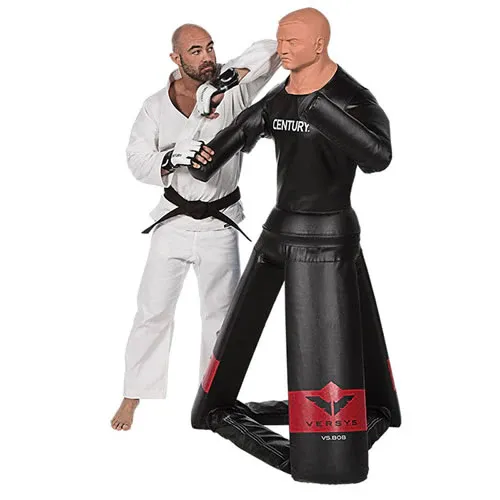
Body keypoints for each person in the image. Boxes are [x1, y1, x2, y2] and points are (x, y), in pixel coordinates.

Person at [186, 8, 401, 484]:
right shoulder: (283, 96)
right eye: (279, 40)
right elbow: (247, 126)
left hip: (327, 240)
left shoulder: (352, 98)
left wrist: (322, 112)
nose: (281, 50)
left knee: (330, 382)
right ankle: (216, 407)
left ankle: (331, 451)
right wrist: (206, 160)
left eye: (292, 42)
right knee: (234, 341)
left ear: (319, 45)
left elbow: (379, 157)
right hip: (279, 228)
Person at [110, 23, 281, 431]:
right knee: (152, 310)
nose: (206, 57)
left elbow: (272, 50)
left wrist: (229, 77)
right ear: (176, 58)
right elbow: (137, 161)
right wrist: (172, 157)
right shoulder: (156, 105)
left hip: (220, 224)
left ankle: (214, 398)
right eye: (195, 51)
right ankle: (133, 395)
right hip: (173, 221)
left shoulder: (233, 90)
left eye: (209, 47)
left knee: (221, 316)